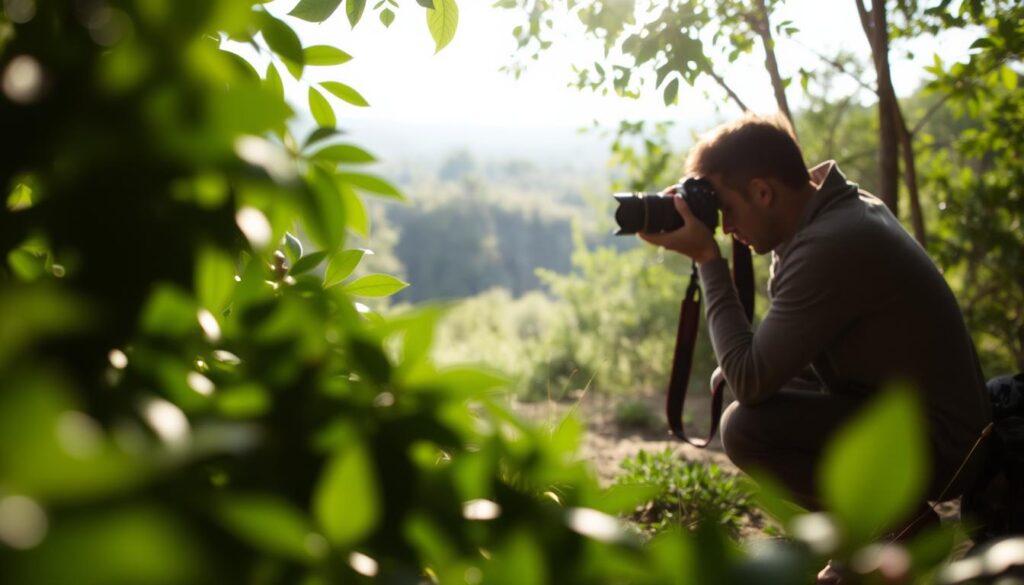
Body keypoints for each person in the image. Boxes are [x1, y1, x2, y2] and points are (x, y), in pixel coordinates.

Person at [638, 113, 992, 582]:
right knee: (744, 388)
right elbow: (795, 354)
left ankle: (897, 529)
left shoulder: (832, 241)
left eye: (726, 210)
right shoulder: (830, 210)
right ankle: (883, 532)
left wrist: (706, 259)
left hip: (945, 446)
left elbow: (750, 379)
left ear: (763, 192)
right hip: (910, 415)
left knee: (745, 428)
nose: (724, 228)